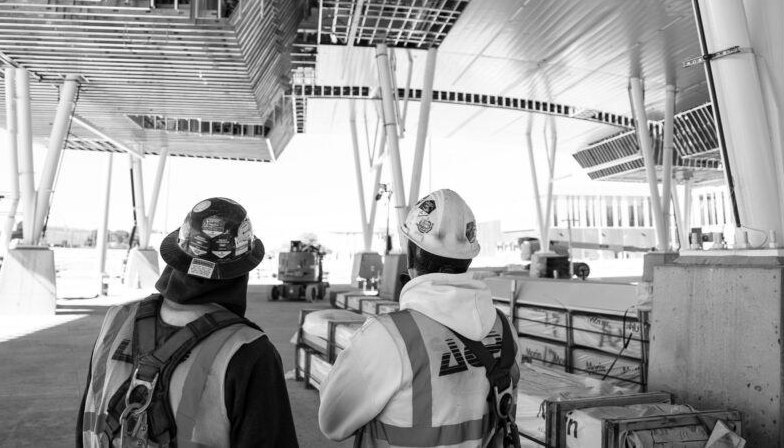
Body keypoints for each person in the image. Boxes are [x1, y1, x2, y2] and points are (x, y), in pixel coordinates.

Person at [78, 197, 298, 448]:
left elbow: (87, 419)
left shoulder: (117, 321)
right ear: (241, 271)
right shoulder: (248, 351)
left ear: (176, 259)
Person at [318, 189, 520, 448]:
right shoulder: (505, 331)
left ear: (412, 254)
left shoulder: (390, 337)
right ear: (468, 257)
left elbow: (332, 422)